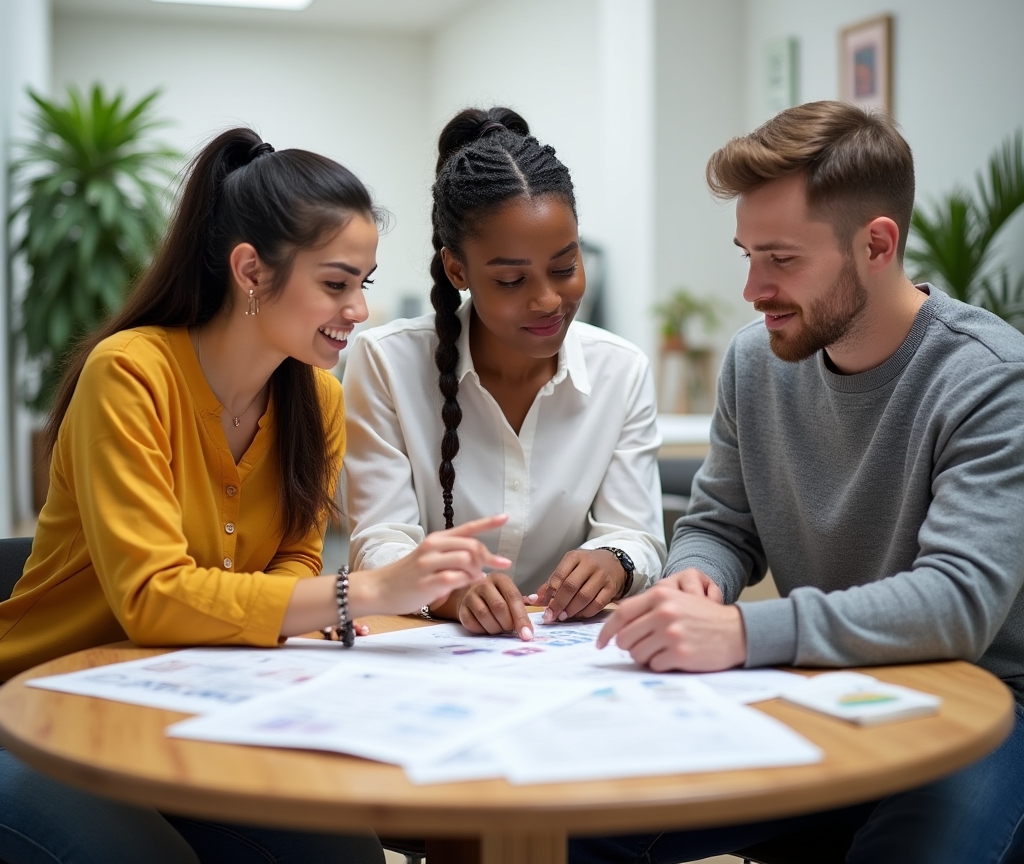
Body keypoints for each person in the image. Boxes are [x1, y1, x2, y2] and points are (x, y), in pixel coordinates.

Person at [0, 128, 509, 864]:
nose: (358, 310)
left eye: (362, 284)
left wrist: (309, 602)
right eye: (336, 284)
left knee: (346, 858)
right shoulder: (129, 375)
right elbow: (154, 597)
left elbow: (295, 559)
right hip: (39, 707)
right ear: (250, 271)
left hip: (183, 700)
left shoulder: (318, 402)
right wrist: (361, 592)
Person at [574, 101, 1024, 864]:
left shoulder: (989, 379)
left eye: (781, 260)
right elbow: (722, 526)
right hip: (824, 687)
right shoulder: (756, 363)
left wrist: (745, 633)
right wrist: (694, 583)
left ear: (877, 244)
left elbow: (956, 602)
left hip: (980, 706)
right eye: (746, 254)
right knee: (576, 825)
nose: (752, 288)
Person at [344, 107, 666, 641]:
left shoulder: (622, 371)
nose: (548, 300)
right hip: (431, 659)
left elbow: (634, 533)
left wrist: (613, 562)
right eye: (512, 280)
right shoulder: (386, 362)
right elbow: (379, 542)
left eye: (565, 268)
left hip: (561, 655)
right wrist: (450, 590)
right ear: (457, 270)